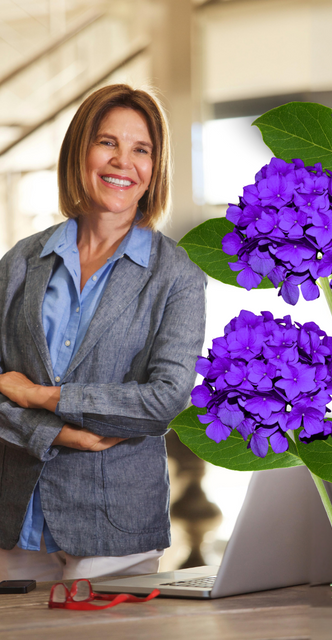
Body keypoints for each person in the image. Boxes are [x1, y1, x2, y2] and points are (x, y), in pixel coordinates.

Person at [0, 84, 206, 580]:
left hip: (114, 531)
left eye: (142, 149)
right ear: (81, 151)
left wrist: (44, 396)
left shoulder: (177, 276)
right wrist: (58, 432)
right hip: (12, 521)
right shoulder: (21, 261)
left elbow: (164, 400)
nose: (123, 162)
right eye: (107, 142)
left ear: (155, 168)